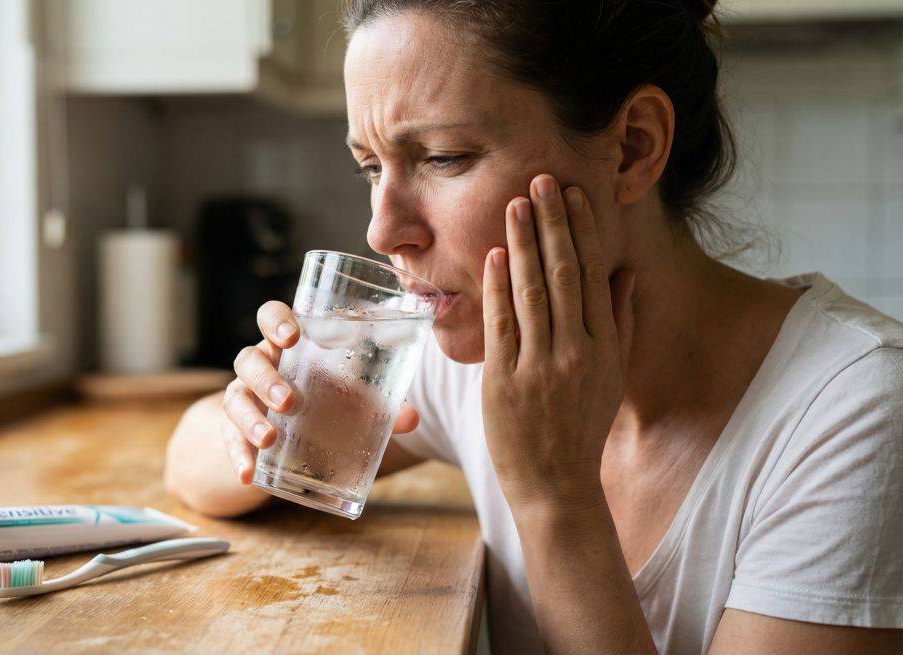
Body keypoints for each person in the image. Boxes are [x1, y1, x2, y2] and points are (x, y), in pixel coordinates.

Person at [163, 0, 903, 652]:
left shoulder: (855, 412)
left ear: (634, 147)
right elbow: (190, 462)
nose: (382, 229)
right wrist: (270, 413)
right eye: (371, 167)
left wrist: (556, 494)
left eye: (443, 157)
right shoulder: (483, 352)